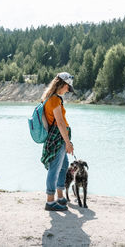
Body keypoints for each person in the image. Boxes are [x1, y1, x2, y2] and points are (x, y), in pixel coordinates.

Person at [41, 72, 75, 211]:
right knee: (55, 168)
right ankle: (50, 201)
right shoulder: (54, 100)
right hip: (58, 137)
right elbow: (60, 123)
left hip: (57, 136)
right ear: (62, 84)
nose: (68, 90)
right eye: (68, 87)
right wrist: (68, 143)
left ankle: (60, 196)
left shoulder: (50, 98)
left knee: (63, 165)